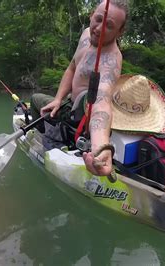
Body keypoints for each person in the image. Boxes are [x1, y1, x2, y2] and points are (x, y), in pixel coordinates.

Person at [30, 0, 128, 177]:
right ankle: (46, 135)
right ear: (91, 15)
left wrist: (101, 147)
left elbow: (102, 101)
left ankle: (46, 140)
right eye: (98, 19)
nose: (98, 28)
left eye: (109, 26)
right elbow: (72, 68)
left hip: (79, 114)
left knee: (35, 99)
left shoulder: (111, 60)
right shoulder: (85, 35)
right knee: (49, 103)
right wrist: (58, 99)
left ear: (120, 32)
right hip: (68, 101)